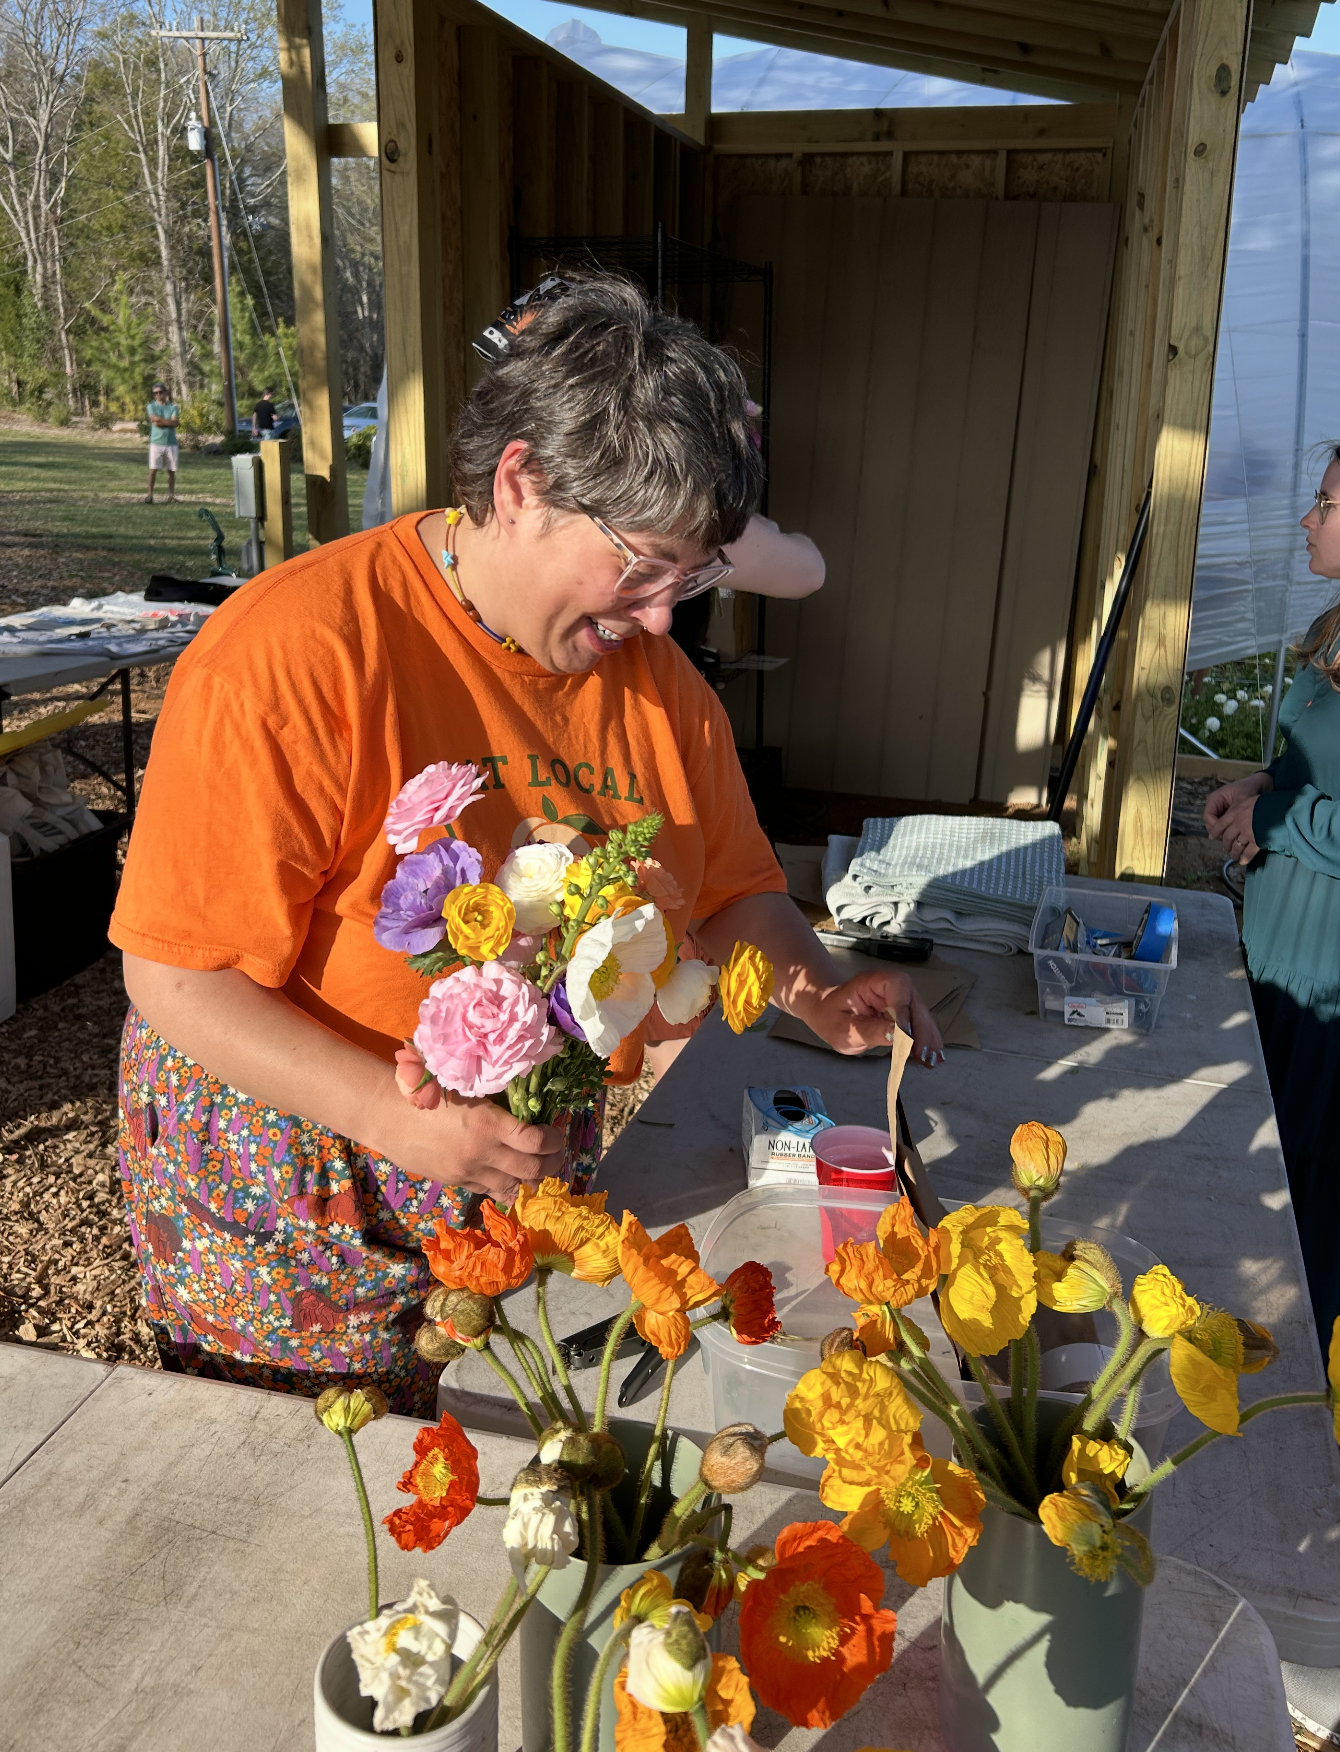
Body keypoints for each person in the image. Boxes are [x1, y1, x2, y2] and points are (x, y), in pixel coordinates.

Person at [110, 276, 942, 1414]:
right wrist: (391, 1116)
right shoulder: (296, 650)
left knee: (506, 1476)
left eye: (690, 576)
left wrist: (819, 991)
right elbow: (174, 972)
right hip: (304, 1178)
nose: (659, 615)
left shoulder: (661, 692)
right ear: (522, 481)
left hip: (512, 1182)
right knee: (305, 1503)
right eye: (641, 564)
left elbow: (736, 891)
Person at [1205, 444, 1340, 1355]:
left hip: (1331, 996)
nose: (1307, 518)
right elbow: (1312, 772)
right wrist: (1260, 786)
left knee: (1316, 1220)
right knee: (1271, 1193)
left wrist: (1278, 814)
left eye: (1325, 502)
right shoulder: (1332, 628)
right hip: (1280, 964)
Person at [144, 381, 179, 504]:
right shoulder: (151, 406)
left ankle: (171, 495)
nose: (158, 395)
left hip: (171, 443)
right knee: (153, 469)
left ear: (166, 392)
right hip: (156, 443)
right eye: (155, 393)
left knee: (171, 471)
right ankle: (149, 495)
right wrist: (168, 422)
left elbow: (175, 423)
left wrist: (162, 421)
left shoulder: (173, 407)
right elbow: (155, 422)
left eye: (160, 392)